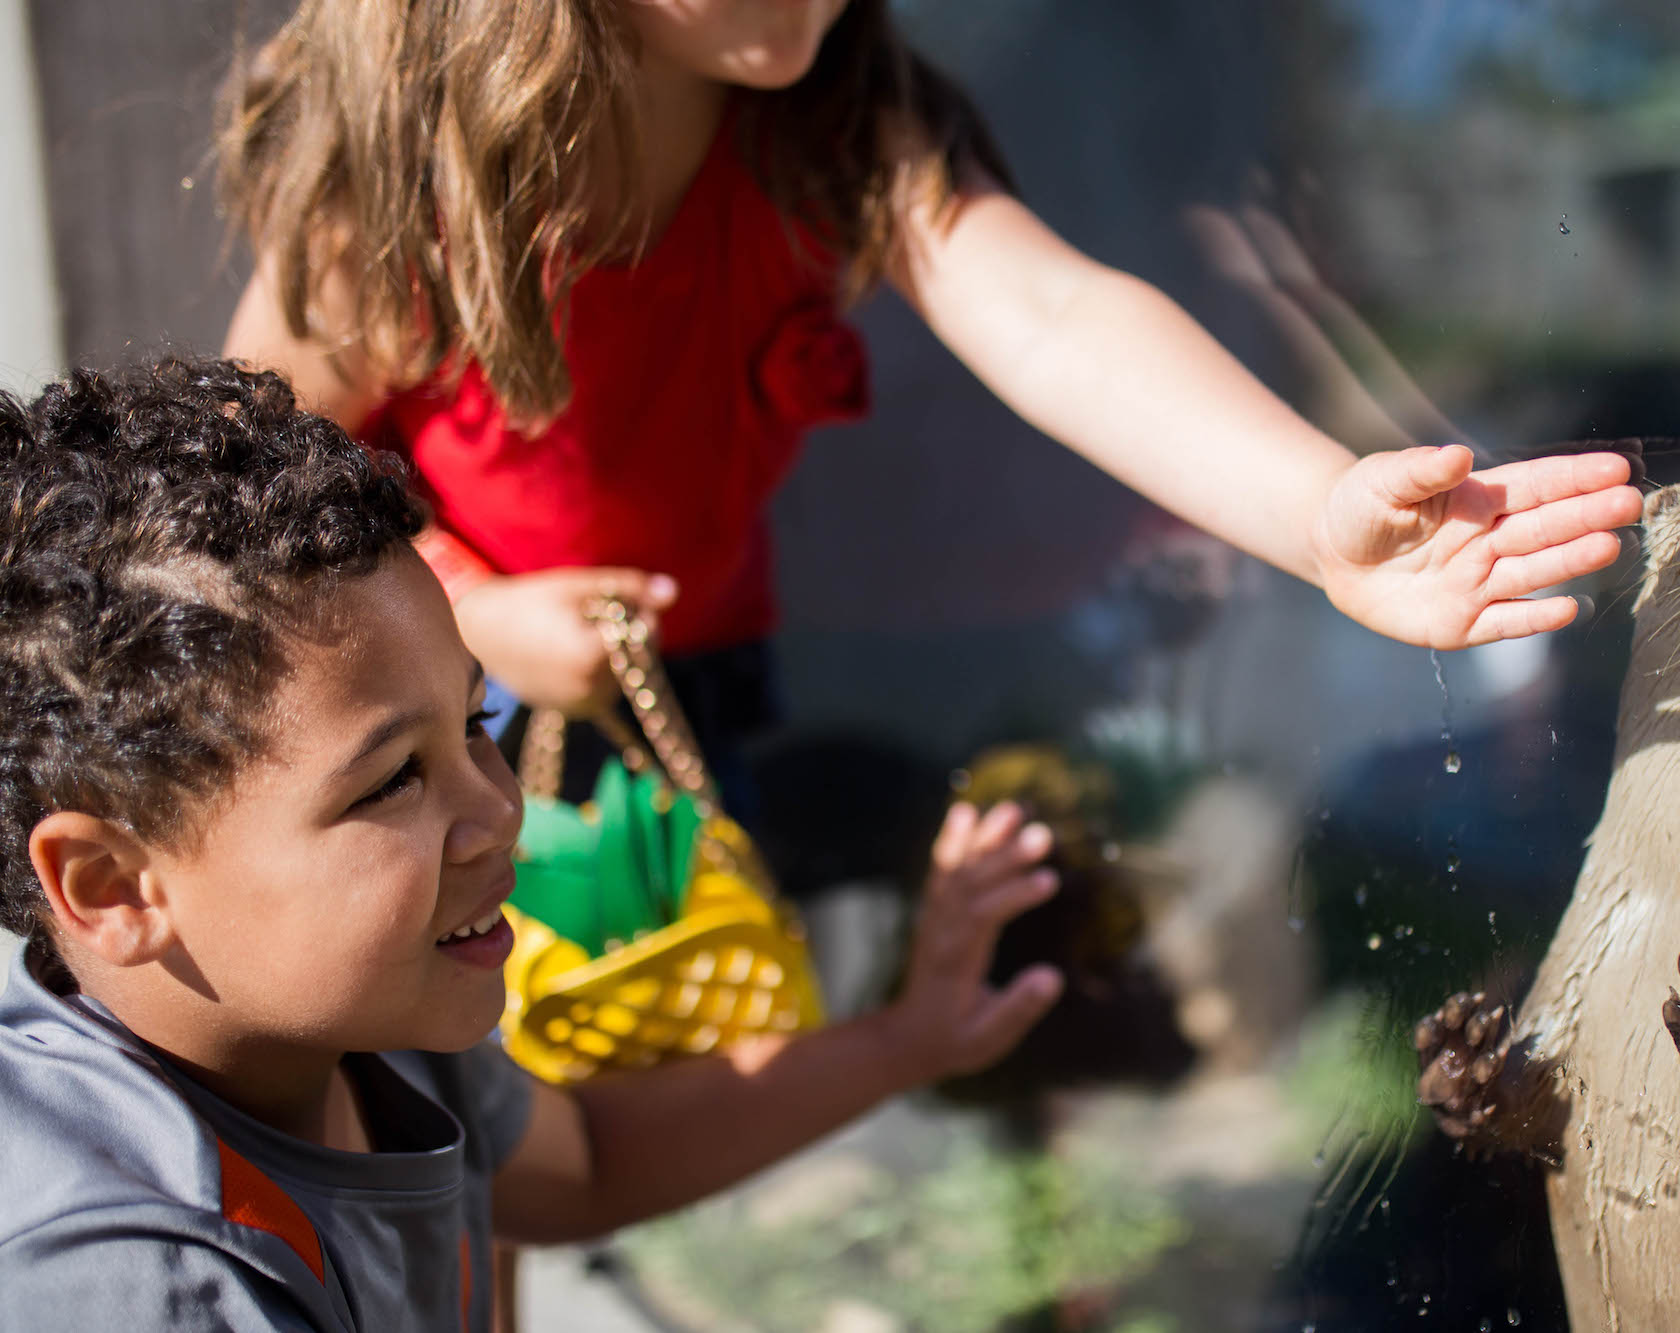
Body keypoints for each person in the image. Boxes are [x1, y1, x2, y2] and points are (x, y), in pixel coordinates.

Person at [216, 0, 1643, 750]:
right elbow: (252, 461)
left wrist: (1315, 513)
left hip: (700, 665)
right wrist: (471, 620)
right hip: (450, 700)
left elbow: (1051, 316)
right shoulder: (403, 193)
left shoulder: (839, 124)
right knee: (477, 1134)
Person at [0, 358, 1067, 1331]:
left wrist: (913, 1036)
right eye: (393, 780)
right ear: (112, 884)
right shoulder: (138, 1284)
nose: (497, 809)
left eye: (476, 725)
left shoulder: (368, 1017)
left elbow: (584, 1161)